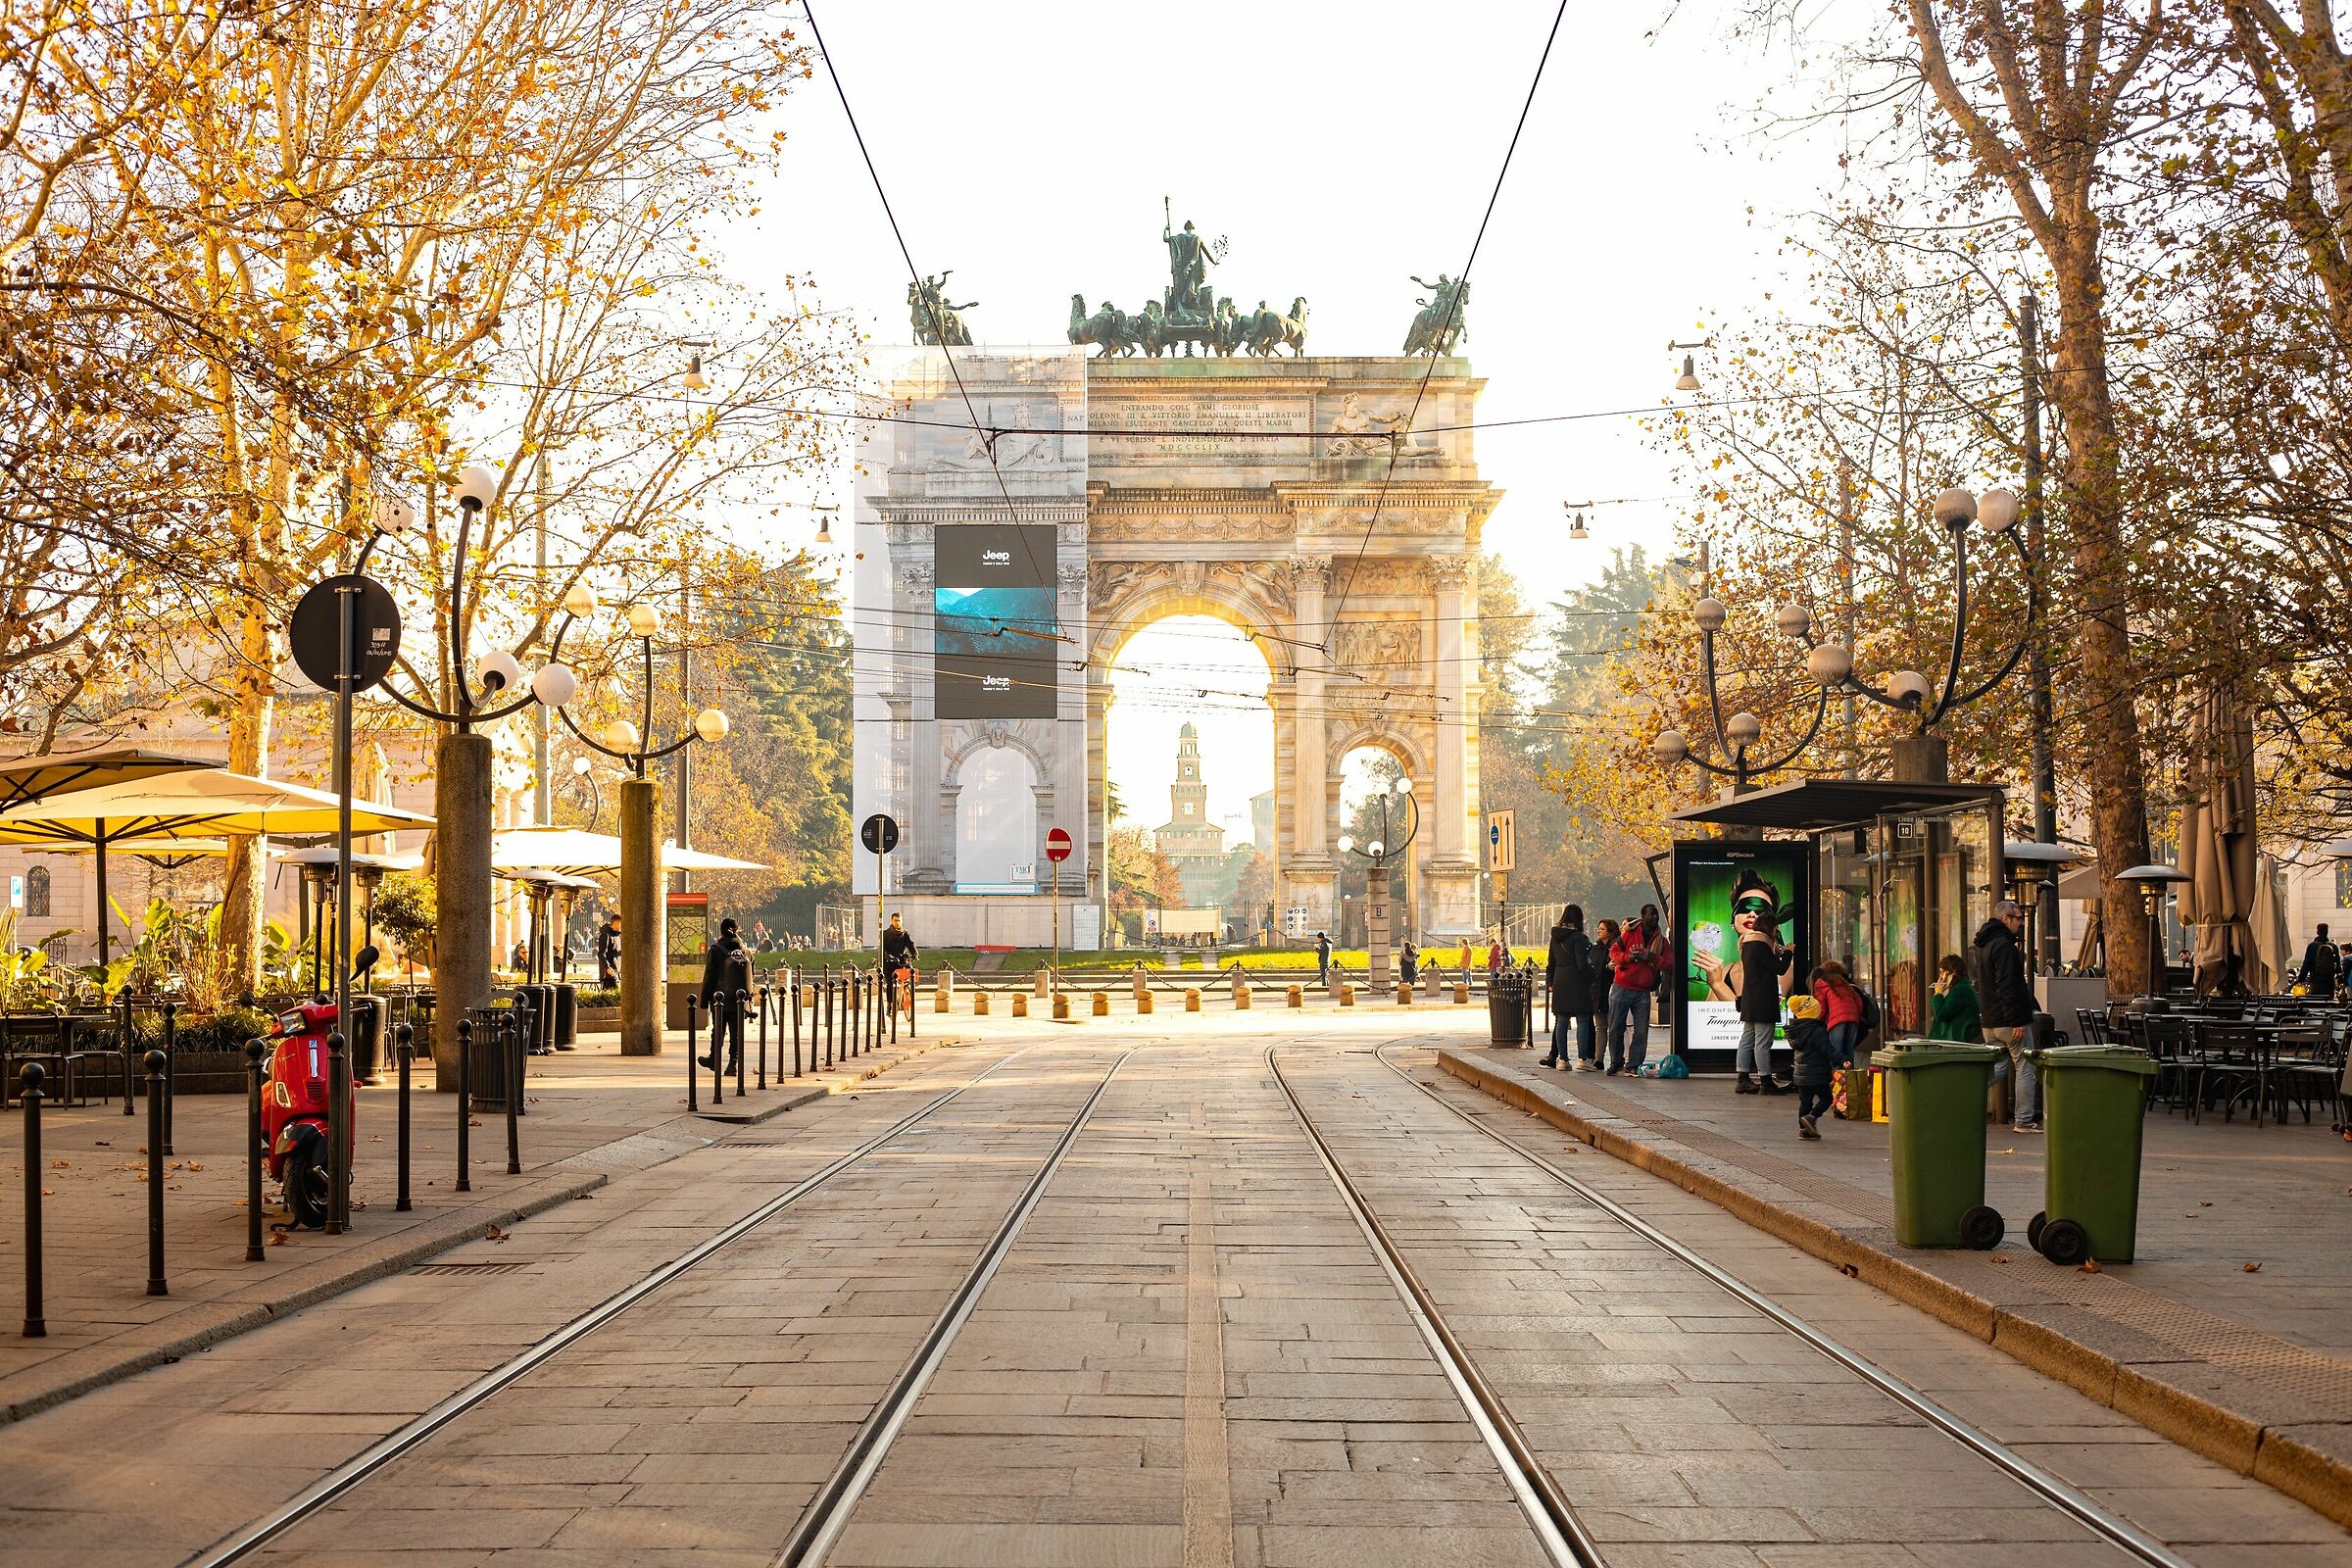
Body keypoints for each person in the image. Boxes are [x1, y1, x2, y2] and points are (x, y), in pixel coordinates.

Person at [1726, 874, 1793, 1095]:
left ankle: (1743, 1077)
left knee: (1747, 1039)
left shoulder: (1747, 944)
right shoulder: (1760, 944)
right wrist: (1789, 953)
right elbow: (1779, 968)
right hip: (1763, 1001)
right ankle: (1766, 1081)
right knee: (1763, 1043)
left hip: (1750, 1000)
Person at [1976, 899, 2039, 1133]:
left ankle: (1963, 1093)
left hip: (1990, 1021)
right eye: (2018, 918)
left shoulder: (1983, 945)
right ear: (2006, 919)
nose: (2021, 923)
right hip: (2008, 1020)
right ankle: (2024, 1120)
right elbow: (2008, 985)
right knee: (2025, 1066)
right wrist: (2017, 1019)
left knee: (1999, 1067)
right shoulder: (2003, 946)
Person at [1605, 907, 1670, 1075]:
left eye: (1656, 914)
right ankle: (1616, 1061)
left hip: (1643, 990)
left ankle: (1633, 1064)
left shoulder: (1661, 941)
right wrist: (1629, 958)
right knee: (1615, 1027)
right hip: (1622, 986)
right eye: (1652, 914)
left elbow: (1670, 963)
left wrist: (1653, 958)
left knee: (1641, 1031)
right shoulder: (1629, 933)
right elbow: (1614, 951)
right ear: (1643, 916)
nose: (1655, 917)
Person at [1543, 905, 1595, 1069]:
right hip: (1577, 980)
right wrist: (1591, 978)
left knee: (1561, 1020)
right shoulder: (1578, 937)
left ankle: (1562, 1060)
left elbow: (1551, 962)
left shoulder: (1555, 937)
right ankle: (1582, 1059)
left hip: (1560, 979)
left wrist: (1550, 982)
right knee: (1583, 1019)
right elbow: (1582, 963)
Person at [699, 917, 750, 1073]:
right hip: (739, 999)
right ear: (737, 930)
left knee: (718, 1030)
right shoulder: (745, 950)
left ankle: (714, 1060)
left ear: (721, 931)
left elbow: (709, 976)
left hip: (719, 998)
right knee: (736, 1032)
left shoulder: (715, 950)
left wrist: (704, 999)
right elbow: (750, 975)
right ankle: (733, 1063)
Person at [1785, 993, 1838, 1140]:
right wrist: (1843, 1058)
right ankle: (1812, 1118)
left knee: (1805, 1101)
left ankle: (1804, 1130)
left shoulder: (1796, 1031)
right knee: (1826, 1099)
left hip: (1801, 1073)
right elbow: (1827, 1050)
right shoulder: (1817, 1030)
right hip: (1817, 1073)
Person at [1811, 959, 1870, 1072]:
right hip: (1853, 1018)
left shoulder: (1821, 982)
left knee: (1835, 1052)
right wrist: (1857, 1015)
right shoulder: (1844, 982)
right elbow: (1858, 1001)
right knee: (1848, 1051)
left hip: (1837, 1019)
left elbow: (1821, 1006)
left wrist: (1819, 1020)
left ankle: (1836, 1082)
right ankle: (1849, 1082)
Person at [1584, 918, 1619, 1069]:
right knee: (1600, 1026)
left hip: (1612, 991)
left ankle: (1616, 1059)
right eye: (1598, 928)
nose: (1598, 931)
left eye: (1602, 929)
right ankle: (1599, 1058)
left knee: (1615, 1027)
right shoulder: (1595, 949)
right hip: (1597, 993)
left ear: (1610, 931)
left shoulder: (1616, 947)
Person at [1928, 954, 1982, 1042]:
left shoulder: (1960, 990)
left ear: (1951, 972)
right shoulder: (1960, 987)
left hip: (1959, 1039)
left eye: (1942, 973)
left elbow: (1941, 1014)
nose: (1940, 977)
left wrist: (1938, 994)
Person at [881, 911, 919, 1017]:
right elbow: (882, 948)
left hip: (901, 960)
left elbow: (911, 944)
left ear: (902, 921)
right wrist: (887, 956)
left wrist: (915, 953)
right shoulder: (885, 933)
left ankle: (905, 996)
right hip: (889, 962)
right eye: (895, 920)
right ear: (891, 921)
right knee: (890, 983)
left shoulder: (905, 933)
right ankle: (889, 1005)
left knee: (909, 974)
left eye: (899, 921)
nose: (897, 923)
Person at [2297, 923, 2340, 997]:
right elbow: (2338, 965)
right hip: (2329, 981)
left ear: (2317, 932)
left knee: (2315, 1004)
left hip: (2315, 980)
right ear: (2327, 932)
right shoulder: (2334, 947)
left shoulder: (2312, 946)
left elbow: (2306, 964)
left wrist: (2301, 979)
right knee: (2329, 1004)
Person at [596, 913, 621, 989]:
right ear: (616, 923)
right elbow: (601, 954)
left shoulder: (617, 936)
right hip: (609, 974)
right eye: (621, 923)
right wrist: (607, 967)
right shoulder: (605, 935)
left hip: (616, 972)